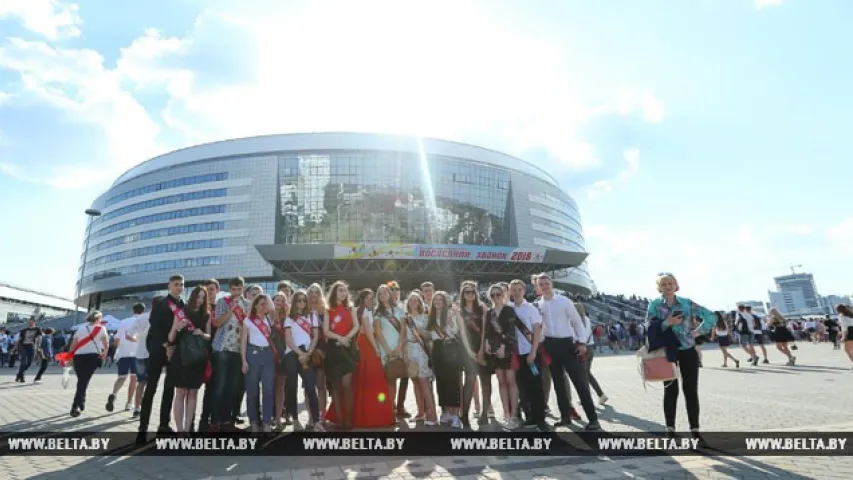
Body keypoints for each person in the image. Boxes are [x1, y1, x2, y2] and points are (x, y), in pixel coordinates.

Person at [645, 272, 715, 441]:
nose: (668, 287)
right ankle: (670, 429)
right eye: (664, 284)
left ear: (676, 285)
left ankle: (695, 430)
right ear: (659, 287)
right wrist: (666, 323)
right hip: (668, 352)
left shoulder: (686, 303)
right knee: (670, 390)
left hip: (688, 349)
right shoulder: (654, 305)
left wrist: (698, 332)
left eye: (671, 283)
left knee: (690, 390)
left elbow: (710, 315)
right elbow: (648, 327)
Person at [536, 274, 601, 431]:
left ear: (552, 284)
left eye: (546, 283)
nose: (544, 286)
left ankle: (593, 419)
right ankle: (565, 417)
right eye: (541, 284)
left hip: (567, 344)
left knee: (579, 382)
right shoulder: (538, 305)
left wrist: (582, 342)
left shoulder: (564, 301)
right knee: (558, 384)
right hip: (550, 345)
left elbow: (577, 322)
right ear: (538, 287)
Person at [329, 289, 395, 428]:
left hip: (361, 345)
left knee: (361, 381)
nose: (371, 301)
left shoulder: (360, 310)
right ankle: (372, 416)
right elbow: (368, 331)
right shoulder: (364, 311)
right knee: (373, 380)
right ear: (363, 300)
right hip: (367, 346)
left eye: (372, 299)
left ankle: (356, 416)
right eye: (368, 298)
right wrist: (376, 349)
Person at [137, 274, 185, 444]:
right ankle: (142, 427)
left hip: (174, 352)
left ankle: (164, 425)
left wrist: (174, 347)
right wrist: (165, 344)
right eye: (176, 284)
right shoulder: (160, 303)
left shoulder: (183, 305)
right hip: (159, 350)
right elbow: (155, 326)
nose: (179, 287)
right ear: (169, 285)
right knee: (150, 388)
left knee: (169, 389)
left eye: (182, 284)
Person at [168, 286, 211, 433]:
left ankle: (187, 429)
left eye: (203, 298)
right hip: (181, 357)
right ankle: (179, 429)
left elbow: (209, 336)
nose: (200, 300)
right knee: (180, 392)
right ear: (192, 297)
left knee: (193, 393)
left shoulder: (206, 315)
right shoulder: (182, 312)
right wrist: (177, 327)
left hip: (197, 358)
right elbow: (171, 337)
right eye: (198, 296)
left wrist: (202, 333)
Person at [210, 277, 249, 433]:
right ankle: (214, 422)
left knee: (232, 388)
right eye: (234, 289)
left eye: (239, 289)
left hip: (238, 350)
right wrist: (231, 310)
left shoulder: (247, 304)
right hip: (222, 348)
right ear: (230, 289)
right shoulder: (222, 302)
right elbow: (217, 323)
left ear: (243, 289)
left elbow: (248, 326)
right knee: (219, 386)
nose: (237, 292)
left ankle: (227, 421)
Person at [323, 282, 360, 430]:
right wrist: (339, 338)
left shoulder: (351, 309)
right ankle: (339, 418)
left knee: (347, 384)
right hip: (334, 350)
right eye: (340, 290)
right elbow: (325, 331)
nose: (343, 293)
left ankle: (349, 419)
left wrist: (346, 338)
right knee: (336, 387)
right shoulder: (328, 310)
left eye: (345, 290)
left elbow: (356, 326)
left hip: (348, 348)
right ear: (334, 293)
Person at [483, 284, 520, 429]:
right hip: (494, 351)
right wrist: (486, 343)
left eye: (498, 294)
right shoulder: (490, 312)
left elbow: (511, 331)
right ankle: (506, 414)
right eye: (493, 295)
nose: (496, 297)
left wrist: (504, 347)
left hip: (507, 350)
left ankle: (514, 415)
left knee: (511, 381)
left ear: (503, 295)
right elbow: (487, 331)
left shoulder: (509, 310)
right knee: (501, 382)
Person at [284, 290, 321, 431]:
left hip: (308, 353)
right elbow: (288, 340)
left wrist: (308, 353)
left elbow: (316, 336)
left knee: (311, 387)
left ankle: (316, 421)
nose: (301, 303)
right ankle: (295, 420)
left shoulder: (312, 315)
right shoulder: (289, 318)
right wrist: (300, 353)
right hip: (292, 354)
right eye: (299, 300)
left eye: (304, 300)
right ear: (294, 302)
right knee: (292, 387)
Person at [241, 294, 277, 433]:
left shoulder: (270, 319)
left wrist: (267, 299)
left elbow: (273, 308)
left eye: (265, 304)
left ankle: (267, 422)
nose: (264, 306)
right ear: (255, 305)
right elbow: (243, 342)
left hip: (267, 355)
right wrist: (244, 361)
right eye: (261, 304)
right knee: (252, 391)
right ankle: (254, 422)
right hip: (252, 355)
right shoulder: (248, 321)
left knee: (268, 390)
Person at [372, 284, 407, 425]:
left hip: (398, 348)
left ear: (390, 293)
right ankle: (388, 411)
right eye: (380, 293)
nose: (383, 295)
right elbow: (378, 334)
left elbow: (403, 330)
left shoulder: (399, 310)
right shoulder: (377, 313)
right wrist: (387, 351)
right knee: (388, 381)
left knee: (395, 379)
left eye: (385, 292)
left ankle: (392, 409)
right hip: (384, 349)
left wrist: (399, 347)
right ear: (378, 297)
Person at [66, 311, 109, 417]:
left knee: (82, 381)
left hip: (78, 357)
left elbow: (73, 345)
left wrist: (69, 357)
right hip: (92, 357)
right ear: (98, 319)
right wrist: (104, 354)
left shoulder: (80, 329)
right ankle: (74, 407)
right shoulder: (101, 328)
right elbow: (106, 344)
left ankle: (81, 402)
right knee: (83, 381)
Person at [106, 305, 142, 413]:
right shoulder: (143, 322)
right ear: (143, 311)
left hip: (123, 353)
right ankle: (129, 403)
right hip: (137, 354)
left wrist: (116, 352)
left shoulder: (124, 322)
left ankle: (114, 394)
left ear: (133, 310)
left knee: (121, 377)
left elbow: (116, 340)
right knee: (134, 379)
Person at [126, 300, 153, 419]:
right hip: (154, 355)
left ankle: (137, 408)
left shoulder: (141, 318)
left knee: (141, 382)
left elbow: (128, 335)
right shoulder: (162, 318)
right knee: (151, 384)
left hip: (140, 354)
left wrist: (137, 340)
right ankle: (145, 408)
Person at [15, 317, 41, 383]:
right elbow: (19, 340)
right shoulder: (23, 330)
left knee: (29, 363)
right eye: (29, 322)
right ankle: (22, 377)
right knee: (23, 362)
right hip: (22, 346)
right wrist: (15, 348)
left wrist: (38, 346)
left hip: (31, 347)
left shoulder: (37, 329)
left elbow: (39, 338)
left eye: (31, 322)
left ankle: (19, 374)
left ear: (34, 322)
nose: (30, 323)